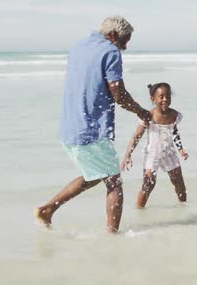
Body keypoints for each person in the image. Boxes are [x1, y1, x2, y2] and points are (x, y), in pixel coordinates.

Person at [34, 16, 152, 233]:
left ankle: (49, 209)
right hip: (91, 130)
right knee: (114, 182)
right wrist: (142, 111)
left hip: (70, 126)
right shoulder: (110, 51)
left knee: (96, 174)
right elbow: (119, 94)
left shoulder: (78, 47)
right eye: (126, 40)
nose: (126, 46)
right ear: (114, 35)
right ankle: (113, 236)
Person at [121, 82, 189, 207]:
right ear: (153, 99)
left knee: (179, 183)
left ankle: (183, 207)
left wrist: (181, 149)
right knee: (148, 185)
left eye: (168, 96)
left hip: (169, 153)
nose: (165, 100)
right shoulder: (148, 116)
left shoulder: (174, 115)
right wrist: (128, 155)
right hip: (152, 154)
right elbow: (137, 136)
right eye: (161, 97)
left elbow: (174, 131)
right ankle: (140, 210)